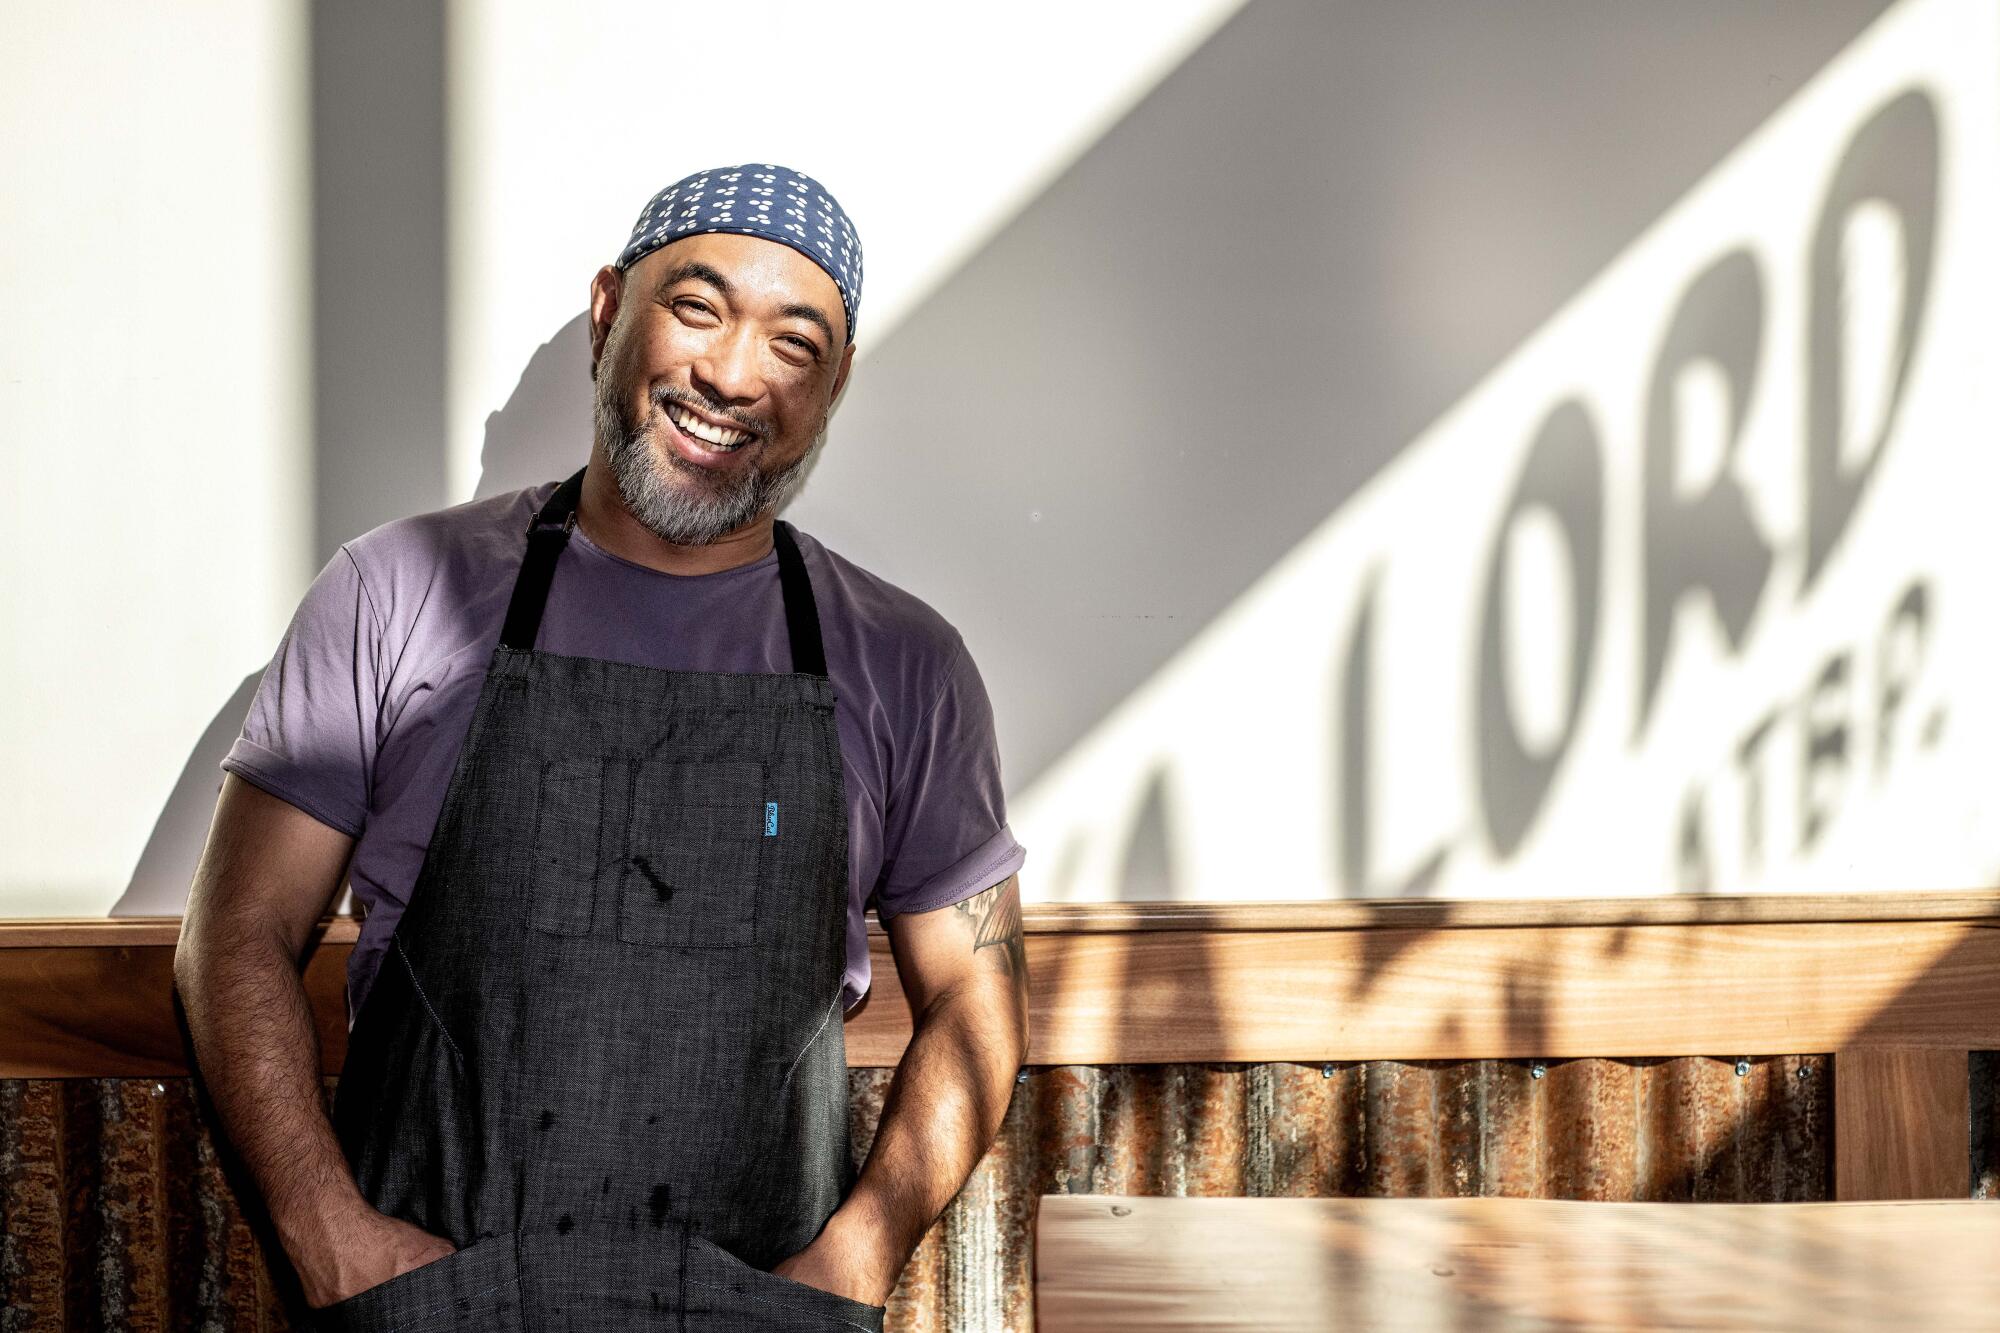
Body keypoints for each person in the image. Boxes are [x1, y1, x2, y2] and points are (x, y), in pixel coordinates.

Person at [174, 163, 1031, 1330]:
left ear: (829, 392)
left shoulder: (904, 663)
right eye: (695, 307)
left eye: (795, 343)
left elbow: (978, 1002)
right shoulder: (394, 594)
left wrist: (855, 1261)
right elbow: (235, 937)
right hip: (431, 1303)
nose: (731, 374)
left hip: (754, 1310)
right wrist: (331, 1241)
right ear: (604, 316)